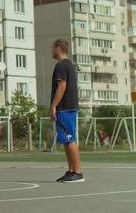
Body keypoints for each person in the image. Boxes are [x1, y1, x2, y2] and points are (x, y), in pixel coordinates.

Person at [50, 39, 84, 183]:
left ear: (58, 48)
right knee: (66, 140)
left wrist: (53, 106)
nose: (51, 50)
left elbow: (62, 86)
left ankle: (78, 172)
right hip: (68, 108)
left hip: (65, 108)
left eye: (52, 47)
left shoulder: (61, 65)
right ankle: (71, 171)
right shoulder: (68, 64)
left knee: (70, 140)